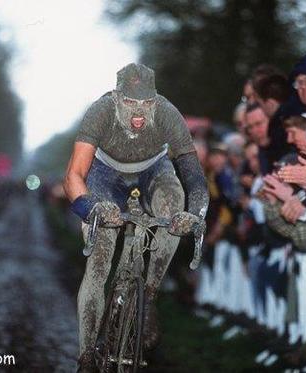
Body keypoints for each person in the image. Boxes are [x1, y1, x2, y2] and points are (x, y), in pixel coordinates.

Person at [63, 63, 209, 372]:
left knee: (174, 204)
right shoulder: (100, 111)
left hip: (153, 171)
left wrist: (194, 216)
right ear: (116, 98)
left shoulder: (169, 114)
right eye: (130, 103)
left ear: (156, 101)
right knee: (100, 260)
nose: (138, 112)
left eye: (146, 103)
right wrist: (91, 209)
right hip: (105, 175)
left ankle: (150, 297)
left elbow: (195, 178)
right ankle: (87, 356)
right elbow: (74, 175)